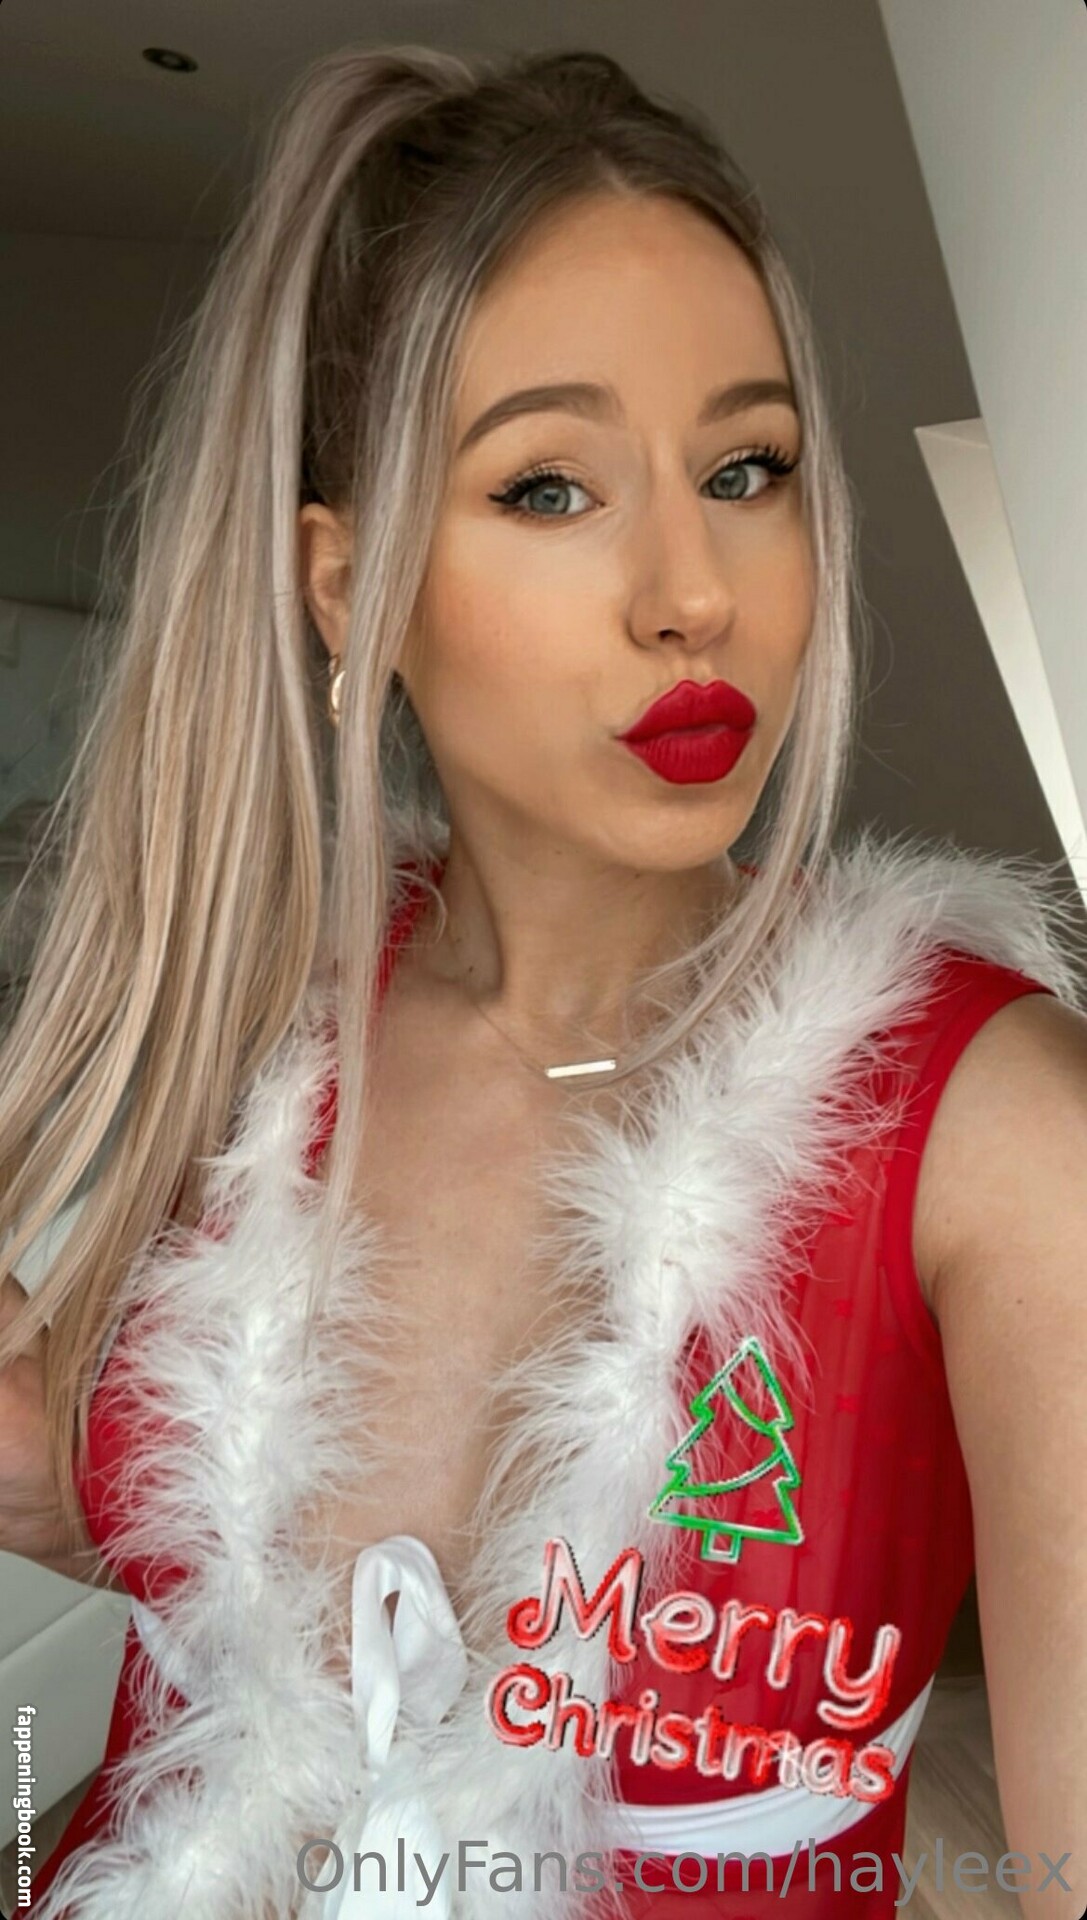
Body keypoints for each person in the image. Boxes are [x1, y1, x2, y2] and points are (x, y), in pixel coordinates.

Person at [0, 40, 1085, 1920]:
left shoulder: (996, 1136)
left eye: (745, 469)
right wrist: (74, 1492)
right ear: (346, 586)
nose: (693, 590)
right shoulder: (247, 1039)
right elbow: (239, 1643)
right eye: (552, 488)